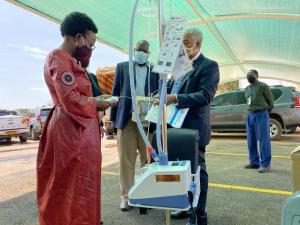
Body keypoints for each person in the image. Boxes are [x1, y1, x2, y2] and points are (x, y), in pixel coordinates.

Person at [37, 12, 111, 225]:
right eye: (91, 43)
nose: (90, 49)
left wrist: (96, 99)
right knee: (70, 186)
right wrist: (96, 103)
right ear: (78, 37)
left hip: (79, 130)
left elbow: (79, 95)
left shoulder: (71, 61)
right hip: (69, 131)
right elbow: (69, 99)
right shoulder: (58, 58)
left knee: (82, 184)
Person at [163, 28, 220, 225]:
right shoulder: (179, 66)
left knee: (197, 172)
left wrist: (175, 98)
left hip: (194, 128)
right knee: (180, 172)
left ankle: (199, 214)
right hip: (175, 127)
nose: (182, 47)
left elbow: (205, 96)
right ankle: (185, 207)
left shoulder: (209, 66)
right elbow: (170, 88)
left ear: (197, 44)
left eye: (186, 42)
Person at [108, 40, 159, 211]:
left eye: (145, 51)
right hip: (126, 120)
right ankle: (126, 196)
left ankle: (146, 194)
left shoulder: (155, 71)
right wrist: (112, 121)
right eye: (139, 50)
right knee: (126, 160)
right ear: (134, 50)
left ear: (149, 53)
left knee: (147, 160)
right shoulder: (122, 67)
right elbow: (115, 95)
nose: (141, 53)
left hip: (147, 122)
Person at [244, 69, 274, 173]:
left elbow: (271, 101)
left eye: (251, 75)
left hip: (261, 113)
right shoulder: (247, 89)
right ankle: (254, 162)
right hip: (250, 114)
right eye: (248, 75)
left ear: (256, 76)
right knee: (250, 140)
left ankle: (266, 165)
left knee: (263, 139)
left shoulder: (263, 86)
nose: (249, 76)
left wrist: (265, 112)